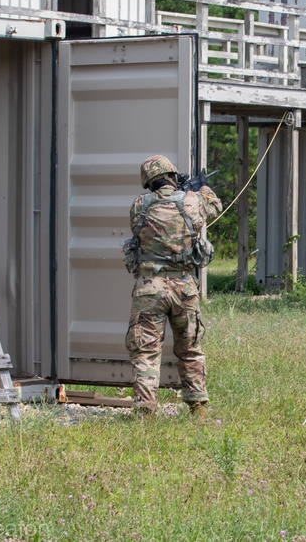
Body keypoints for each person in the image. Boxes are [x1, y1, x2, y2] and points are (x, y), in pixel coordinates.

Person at [125, 155, 222, 417]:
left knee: (145, 352)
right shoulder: (192, 202)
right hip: (184, 288)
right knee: (190, 348)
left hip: (149, 288)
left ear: (148, 181)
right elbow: (214, 207)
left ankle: (145, 412)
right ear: (172, 175)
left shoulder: (139, 205)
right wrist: (201, 188)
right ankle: (198, 408)